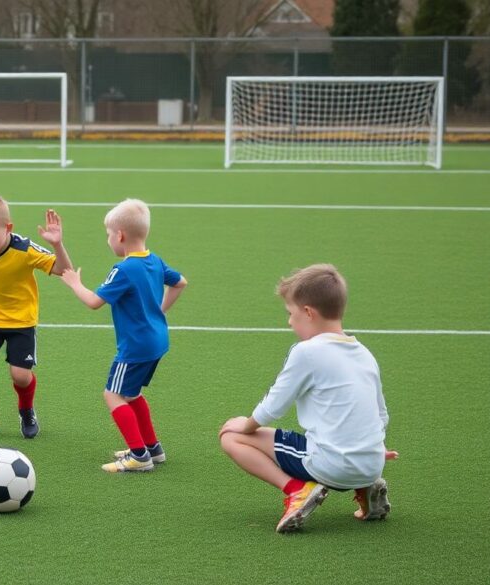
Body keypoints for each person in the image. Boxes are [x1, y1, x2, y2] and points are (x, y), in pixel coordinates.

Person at [218, 264, 395, 533]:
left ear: (309, 313)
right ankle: (367, 489)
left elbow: (274, 404)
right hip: (372, 462)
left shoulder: (307, 351)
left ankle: (297, 490)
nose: (289, 322)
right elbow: (381, 415)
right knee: (348, 446)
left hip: (331, 466)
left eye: (291, 314)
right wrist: (373, 448)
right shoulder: (364, 353)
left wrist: (245, 425)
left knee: (230, 438)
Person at [60, 198, 187, 473]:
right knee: (131, 394)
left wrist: (74, 283)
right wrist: (159, 311)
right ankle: (153, 448)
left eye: (108, 234)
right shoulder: (154, 261)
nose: (108, 240)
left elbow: (94, 301)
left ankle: (140, 457)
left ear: (120, 235)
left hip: (136, 346)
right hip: (157, 341)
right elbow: (180, 283)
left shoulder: (123, 269)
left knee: (113, 395)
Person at [0, 195, 72, 441]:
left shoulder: (25, 249)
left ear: (8, 228)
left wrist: (57, 244)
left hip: (22, 321)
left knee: (20, 375)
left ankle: (27, 411)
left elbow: (63, 270)